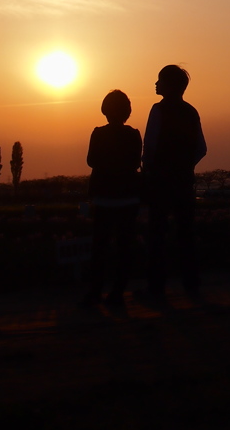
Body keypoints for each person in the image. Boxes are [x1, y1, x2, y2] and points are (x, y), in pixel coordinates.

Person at [143, 64, 207, 300]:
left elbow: (149, 146)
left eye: (160, 80)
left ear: (168, 85)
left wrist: (149, 170)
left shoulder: (158, 110)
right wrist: (186, 165)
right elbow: (202, 148)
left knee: (157, 233)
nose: (156, 83)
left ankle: (156, 287)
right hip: (183, 181)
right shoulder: (191, 111)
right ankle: (192, 284)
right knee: (186, 233)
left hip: (160, 181)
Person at [83, 90, 143, 308]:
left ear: (105, 110)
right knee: (124, 248)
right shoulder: (134, 134)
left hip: (104, 198)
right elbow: (136, 162)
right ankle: (117, 293)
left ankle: (95, 292)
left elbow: (91, 161)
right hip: (128, 198)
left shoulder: (98, 134)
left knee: (99, 249)